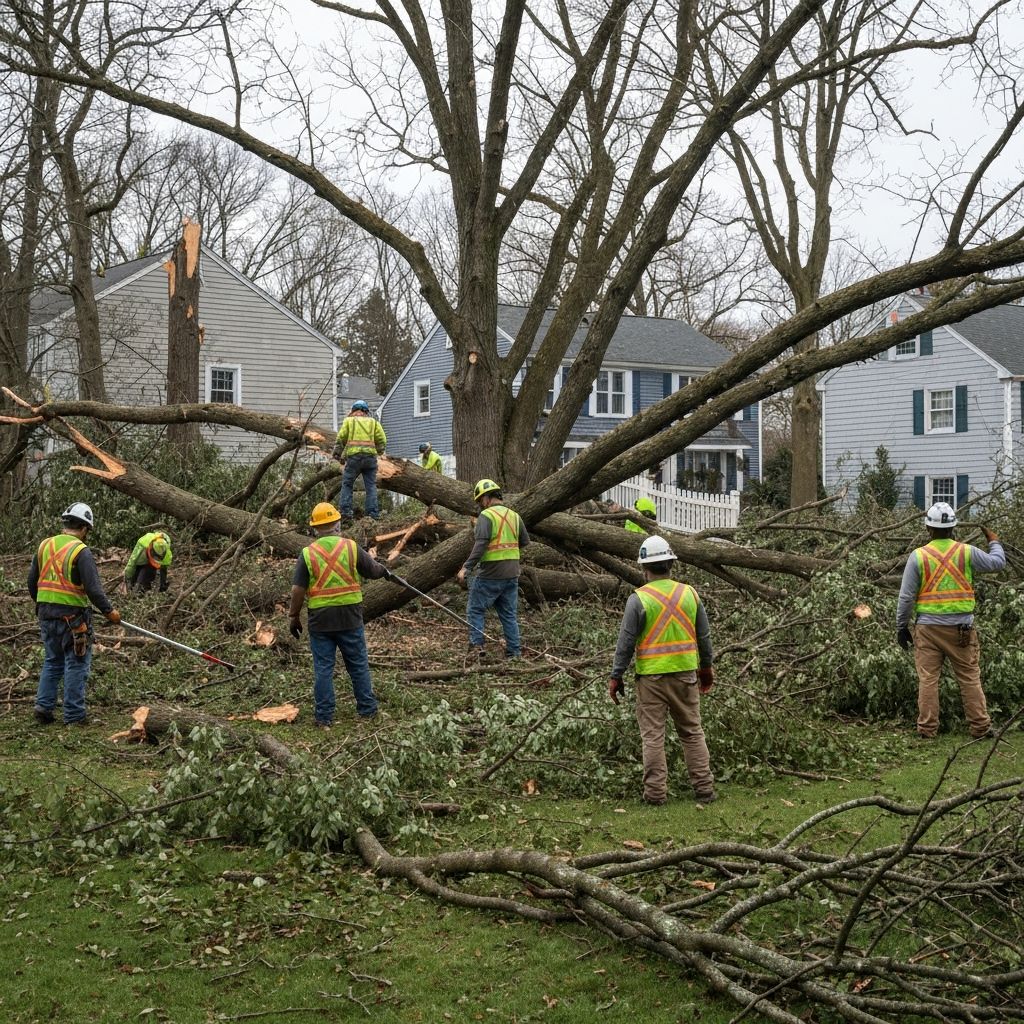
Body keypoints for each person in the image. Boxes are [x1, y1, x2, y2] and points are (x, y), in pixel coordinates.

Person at [609, 535, 717, 806]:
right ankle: (704, 789)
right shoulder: (689, 593)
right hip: (685, 675)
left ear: (644, 568)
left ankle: (655, 794)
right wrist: (707, 668)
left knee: (653, 736)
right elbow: (704, 637)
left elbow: (625, 642)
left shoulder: (639, 599)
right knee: (692, 732)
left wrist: (616, 675)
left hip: (651, 679)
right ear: (670, 563)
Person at [896, 502, 1005, 740]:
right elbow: (998, 563)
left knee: (928, 679)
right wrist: (994, 541)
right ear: (953, 528)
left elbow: (906, 597)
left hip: (928, 629)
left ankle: (927, 730)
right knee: (969, 678)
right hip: (961, 630)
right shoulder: (967, 552)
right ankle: (981, 727)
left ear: (928, 528)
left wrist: (901, 626)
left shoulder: (919, 556)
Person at [288, 501, 393, 728]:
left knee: (323, 669)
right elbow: (374, 571)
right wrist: (384, 569)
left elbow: (297, 590)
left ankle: (324, 718)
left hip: (320, 620)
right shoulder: (351, 547)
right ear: (337, 522)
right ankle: (368, 711)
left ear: (315, 528)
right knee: (358, 665)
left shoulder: (308, 553)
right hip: (350, 617)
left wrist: (293, 616)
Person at [27, 502, 121, 726]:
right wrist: (109, 611)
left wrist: (43, 604)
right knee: (76, 663)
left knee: (52, 660)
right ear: (85, 528)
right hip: (73, 619)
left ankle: (43, 707)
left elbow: (32, 582)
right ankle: (74, 716)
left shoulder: (45, 545)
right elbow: (94, 589)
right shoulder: (81, 551)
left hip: (46, 613)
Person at [457, 478, 529, 659]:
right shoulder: (515, 516)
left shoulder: (486, 516)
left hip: (491, 573)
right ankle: (514, 653)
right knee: (509, 615)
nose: (481, 505)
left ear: (487, 498)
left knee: (475, 609)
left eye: (481, 501)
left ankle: (477, 648)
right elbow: (524, 542)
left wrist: (466, 567)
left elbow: (480, 544)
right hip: (512, 573)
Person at [333, 399, 387, 522]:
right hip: (370, 459)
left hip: (354, 458)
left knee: (347, 484)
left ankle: (346, 513)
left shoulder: (349, 421)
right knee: (371, 486)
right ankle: (372, 514)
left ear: (353, 411)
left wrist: (337, 454)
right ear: (366, 412)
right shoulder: (373, 423)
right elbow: (382, 440)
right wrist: (379, 451)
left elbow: (341, 438)